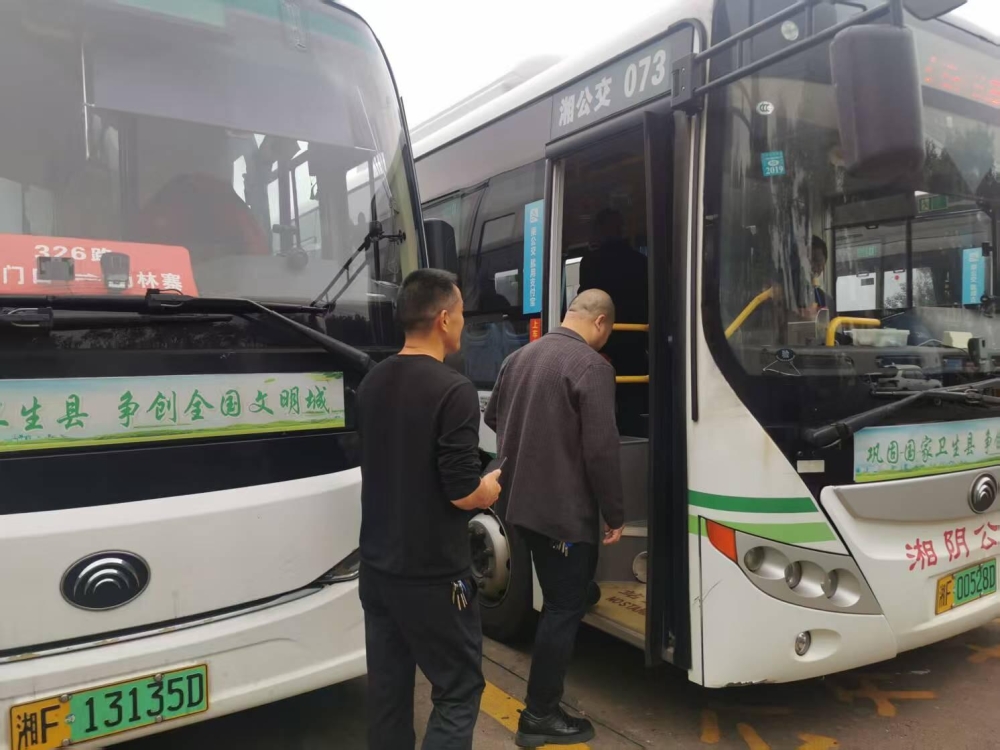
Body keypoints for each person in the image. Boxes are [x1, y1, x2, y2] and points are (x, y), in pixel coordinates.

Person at [357, 268, 503, 750]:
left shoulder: (373, 381)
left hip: (377, 570)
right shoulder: (453, 389)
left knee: (388, 691)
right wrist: (488, 489)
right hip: (433, 574)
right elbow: (461, 490)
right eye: (460, 314)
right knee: (458, 690)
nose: (462, 323)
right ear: (443, 319)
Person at [484, 289, 625, 748]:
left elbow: (494, 417)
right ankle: (539, 715)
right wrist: (615, 513)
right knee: (563, 607)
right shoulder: (592, 366)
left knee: (568, 589)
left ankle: (581, 589)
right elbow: (601, 451)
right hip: (562, 512)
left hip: (518, 506)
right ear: (600, 323)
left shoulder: (518, 357)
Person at [577, 208, 649, 436]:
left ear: (600, 231)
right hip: (637, 343)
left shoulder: (591, 262)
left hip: (603, 343)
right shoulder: (641, 261)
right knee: (631, 400)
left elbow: (586, 302)